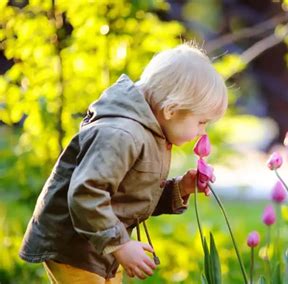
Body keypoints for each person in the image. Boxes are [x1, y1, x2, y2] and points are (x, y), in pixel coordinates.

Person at [19, 43, 228, 283]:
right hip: (74, 246)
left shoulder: (151, 132)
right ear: (172, 110)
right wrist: (121, 245)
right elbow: (86, 194)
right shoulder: (121, 134)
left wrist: (181, 188)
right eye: (202, 122)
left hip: (100, 244)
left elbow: (130, 195)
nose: (203, 132)